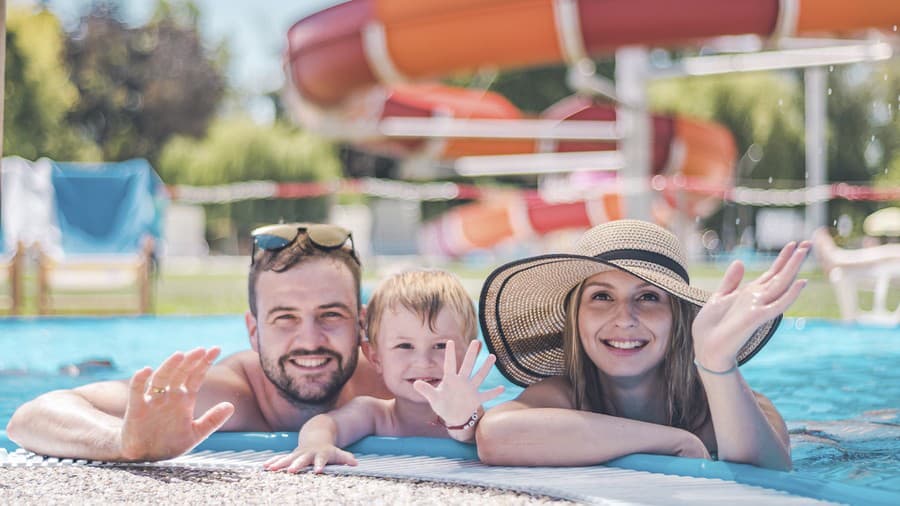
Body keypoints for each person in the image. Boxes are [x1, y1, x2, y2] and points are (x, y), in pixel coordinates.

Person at [6, 223, 390, 461]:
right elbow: (31, 417)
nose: (309, 339)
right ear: (253, 331)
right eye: (285, 317)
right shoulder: (223, 396)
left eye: (331, 315)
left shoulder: (393, 379)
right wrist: (124, 441)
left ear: (362, 324)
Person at [475, 219, 809, 471]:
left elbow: (772, 477)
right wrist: (672, 441)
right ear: (575, 317)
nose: (625, 318)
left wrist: (717, 363)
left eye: (648, 297)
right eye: (602, 296)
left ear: (679, 320)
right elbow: (494, 436)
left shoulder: (726, 404)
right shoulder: (562, 396)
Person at [264, 269, 503, 474]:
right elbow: (326, 423)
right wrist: (317, 444)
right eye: (404, 346)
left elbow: (468, 431)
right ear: (374, 357)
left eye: (440, 345)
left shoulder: (471, 411)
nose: (423, 360)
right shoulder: (376, 414)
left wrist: (461, 419)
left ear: (470, 353)